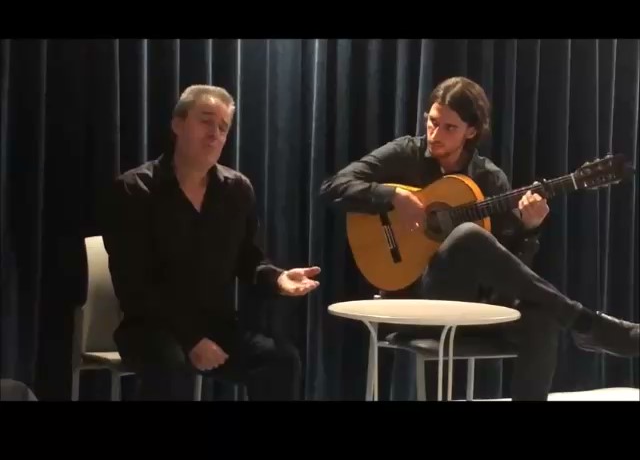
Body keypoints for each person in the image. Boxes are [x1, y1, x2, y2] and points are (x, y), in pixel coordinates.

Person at [319, 76, 639, 401]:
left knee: (541, 318)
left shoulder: (489, 178)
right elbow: (333, 187)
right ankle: (585, 323)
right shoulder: (405, 153)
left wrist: (528, 229)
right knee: (467, 234)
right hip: (412, 299)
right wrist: (391, 196)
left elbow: (512, 272)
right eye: (432, 122)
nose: (435, 134)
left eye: (449, 128)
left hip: (474, 304)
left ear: (471, 131)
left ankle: (576, 324)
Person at [102, 84, 320, 401]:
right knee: (170, 366)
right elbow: (134, 284)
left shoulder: (236, 189)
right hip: (151, 326)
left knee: (281, 361)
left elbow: (248, 258)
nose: (214, 134)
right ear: (178, 124)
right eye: (206, 121)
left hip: (216, 326)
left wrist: (277, 278)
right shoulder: (135, 189)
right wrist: (191, 339)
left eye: (223, 127)